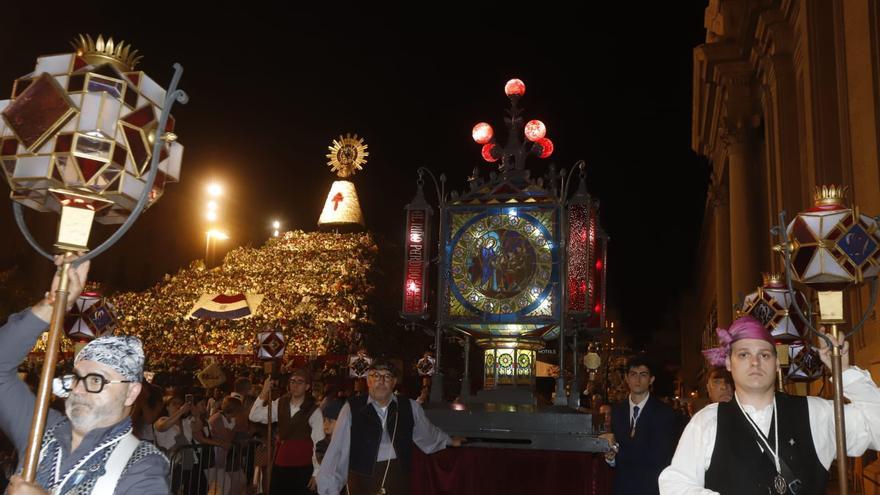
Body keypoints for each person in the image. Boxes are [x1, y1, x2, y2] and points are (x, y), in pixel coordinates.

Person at [1, 255, 169, 494]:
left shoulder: (141, 467)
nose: (78, 390)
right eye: (76, 378)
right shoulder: (40, 429)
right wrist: (53, 305)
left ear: (131, 392)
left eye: (95, 380)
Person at [659, 315, 880, 494]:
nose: (755, 362)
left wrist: (844, 371)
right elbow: (675, 484)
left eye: (764, 355)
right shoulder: (707, 422)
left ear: (776, 364)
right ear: (728, 363)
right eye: (744, 354)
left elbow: (876, 430)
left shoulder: (816, 412)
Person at [317, 359, 462, 495]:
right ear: (368, 380)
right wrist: (328, 489)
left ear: (394, 382)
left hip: (398, 479)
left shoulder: (409, 407)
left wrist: (450, 441)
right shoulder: (352, 408)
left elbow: (428, 435)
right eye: (375, 376)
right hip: (361, 481)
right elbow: (337, 450)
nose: (381, 381)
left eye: (387, 376)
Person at [601, 356, 677, 495]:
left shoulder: (664, 413)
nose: (637, 379)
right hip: (622, 488)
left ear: (651, 379)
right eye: (633, 374)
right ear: (626, 378)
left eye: (643, 375)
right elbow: (613, 456)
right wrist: (610, 457)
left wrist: (618, 452)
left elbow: (660, 457)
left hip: (651, 488)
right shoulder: (617, 411)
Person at [249, 369, 324, 495]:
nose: (295, 385)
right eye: (292, 381)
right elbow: (254, 416)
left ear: (307, 386)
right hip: (281, 463)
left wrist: (317, 473)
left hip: (303, 466)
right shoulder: (280, 403)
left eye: (300, 382)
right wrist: (264, 391)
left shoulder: (314, 410)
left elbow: (319, 442)